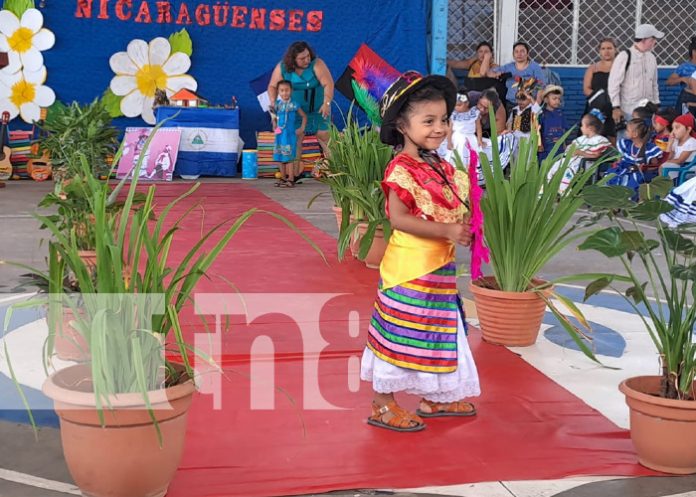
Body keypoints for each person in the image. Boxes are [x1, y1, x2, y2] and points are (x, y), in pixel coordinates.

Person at [360, 70, 480, 432]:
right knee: (403, 333)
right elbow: (397, 218)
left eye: (443, 119)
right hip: (408, 274)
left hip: (438, 272)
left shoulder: (443, 168)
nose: (439, 128)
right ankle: (383, 404)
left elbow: (456, 209)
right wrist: (446, 229)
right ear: (402, 125)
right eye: (428, 121)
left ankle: (434, 397)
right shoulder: (402, 169)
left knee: (437, 333)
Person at [268, 41, 334, 166]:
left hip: (318, 110)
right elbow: (272, 86)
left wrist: (327, 103)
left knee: (324, 135)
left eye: (308, 56)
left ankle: (336, 171)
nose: (307, 60)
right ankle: (295, 173)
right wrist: (273, 103)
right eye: (302, 58)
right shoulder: (282, 67)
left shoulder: (317, 64)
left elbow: (328, 83)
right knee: (295, 138)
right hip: (295, 112)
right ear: (293, 59)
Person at [608, 24, 663, 130]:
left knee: (647, 139)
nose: (654, 42)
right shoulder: (625, 56)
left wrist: (656, 104)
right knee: (627, 139)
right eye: (652, 39)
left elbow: (654, 84)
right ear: (643, 40)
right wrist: (616, 107)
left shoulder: (652, 58)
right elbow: (613, 84)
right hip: (629, 110)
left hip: (648, 110)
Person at [547, 111, 611, 193]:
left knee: (568, 169)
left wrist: (581, 153)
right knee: (555, 166)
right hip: (574, 161)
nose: (581, 128)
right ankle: (550, 191)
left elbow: (597, 156)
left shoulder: (599, 140)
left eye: (582, 125)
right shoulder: (582, 139)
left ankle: (564, 192)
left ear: (590, 128)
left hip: (586, 165)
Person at [605, 118, 662, 191]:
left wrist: (643, 168)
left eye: (628, 130)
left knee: (632, 180)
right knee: (611, 176)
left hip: (638, 173)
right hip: (623, 169)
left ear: (635, 134)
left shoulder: (648, 149)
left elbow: (655, 165)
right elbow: (620, 159)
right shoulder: (626, 144)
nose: (625, 132)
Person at [488, 41, 545, 112]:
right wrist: (496, 74)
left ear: (527, 53)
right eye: (516, 51)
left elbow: (541, 86)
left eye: (522, 51)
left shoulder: (535, 67)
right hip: (511, 103)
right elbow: (489, 73)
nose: (519, 54)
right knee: (511, 123)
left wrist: (536, 105)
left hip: (528, 104)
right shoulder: (508, 67)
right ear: (513, 54)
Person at [271, 80, 307, 187]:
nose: (284, 93)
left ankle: (291, 179)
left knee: (289, 156)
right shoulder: (277, 105)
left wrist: (302, 128)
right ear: (278, 92)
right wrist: (274, 126)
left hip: (289, 134)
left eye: (287, 90)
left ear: (291, 91)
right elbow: (273, 116)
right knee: (280, 155)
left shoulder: (294, 104)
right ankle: (283, 178)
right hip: (279, 134)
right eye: (282, 90)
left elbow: (304, 116)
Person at [583, 38, 617, 143]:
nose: (606, 51)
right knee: (594, 136)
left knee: (614, 136)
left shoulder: (621, 67)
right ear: (599, 51)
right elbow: (586, 89)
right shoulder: (593, 68)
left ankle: (615, 159)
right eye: (603, 48)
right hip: (596, 108)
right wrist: (600, 98)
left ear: (615, 49)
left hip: (615, 107)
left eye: (609, 48)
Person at [443, 91, 483, 166]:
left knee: (471, 155)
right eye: (455, 105)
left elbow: (478, 128)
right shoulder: (454, 115)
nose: (456, 107)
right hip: (457, 138)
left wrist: (479, 139)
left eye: (459, 105)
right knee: (457, 154)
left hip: (470, 138)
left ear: (467, 103)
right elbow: (450, 129)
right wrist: (449, 141)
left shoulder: (474, 113)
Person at [660, 113, 696, 180]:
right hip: (676, 166)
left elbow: (680, 160)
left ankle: (666, 186)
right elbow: (668, 156)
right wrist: (670, 142)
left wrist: (666, 162)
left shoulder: (692, 142)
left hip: (687, 168)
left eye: (677, 128)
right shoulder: (675, 141)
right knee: (663, 166)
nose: (673, 131)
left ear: (688, 129)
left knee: (664, 166)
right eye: (672, 128)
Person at [538, 84, 569, 161]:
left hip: (559, 149)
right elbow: (537, 130)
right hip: (546, 149)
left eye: (559, 99)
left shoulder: (560, 114)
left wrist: (564, 146)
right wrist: (539, 145)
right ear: (546, 100)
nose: (557, 101)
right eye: (554, 98)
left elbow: (563, 131)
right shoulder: (542, 114)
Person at [666, 37, 696, 115]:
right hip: (688, 99)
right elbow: (669, 82)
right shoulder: (684, 67)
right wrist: (682, 79)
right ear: (693, 52)